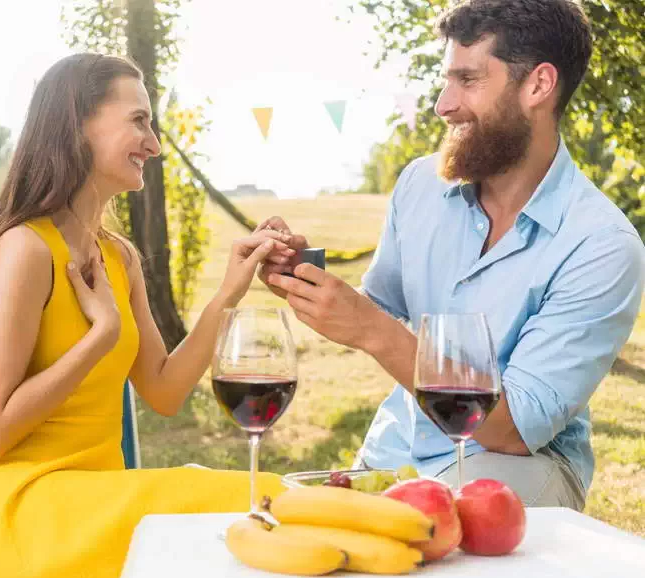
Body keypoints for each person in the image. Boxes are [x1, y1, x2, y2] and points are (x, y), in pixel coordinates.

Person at [0, 53, 291, 578]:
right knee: (265, 502)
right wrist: (100, 338)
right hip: (30, 521)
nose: (154, 144)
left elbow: (164, 391)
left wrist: (231, 289)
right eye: (139, 121)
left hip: (99, 513)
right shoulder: (25, 250)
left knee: (268, 508)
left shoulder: (119, 258)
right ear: (78, 124)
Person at [258, 0, 644, 510]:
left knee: (422, 537)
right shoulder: (421, 183)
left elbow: (513, 430)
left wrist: (374, 331)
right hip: (397, 452)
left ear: (538, 85)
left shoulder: (601, 245)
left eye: (468, 80)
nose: (443, 104)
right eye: (447, 79)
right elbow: (381, 309)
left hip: (517, 466)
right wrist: (306, 277)